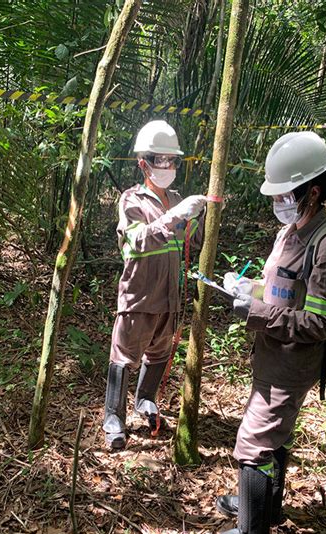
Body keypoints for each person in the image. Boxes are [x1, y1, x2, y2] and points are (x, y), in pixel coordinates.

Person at [196, 131, 326, 534]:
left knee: (253, 445)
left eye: (285, 193)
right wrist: (249, 291)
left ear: (313, 192)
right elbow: (284, 292)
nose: (278, 201)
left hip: (292, 363)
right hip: (271, 354)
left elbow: (321, 324)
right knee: (272, 439)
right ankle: (265, 507)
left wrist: (256, 310)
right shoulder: (292, 231)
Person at [103, 120, 208, 450]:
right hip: (140, 294)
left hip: (171, 298)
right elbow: (134, 242)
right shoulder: (132, 200)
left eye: (171, 160)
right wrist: (173, 216)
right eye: (157, 160)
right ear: (142, 162)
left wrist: (199, 217)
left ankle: (145, 400)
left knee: (161, 351)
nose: (165, 166)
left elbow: (195, 241)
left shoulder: (178, 197)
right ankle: (113, 419)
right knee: (124, 355)